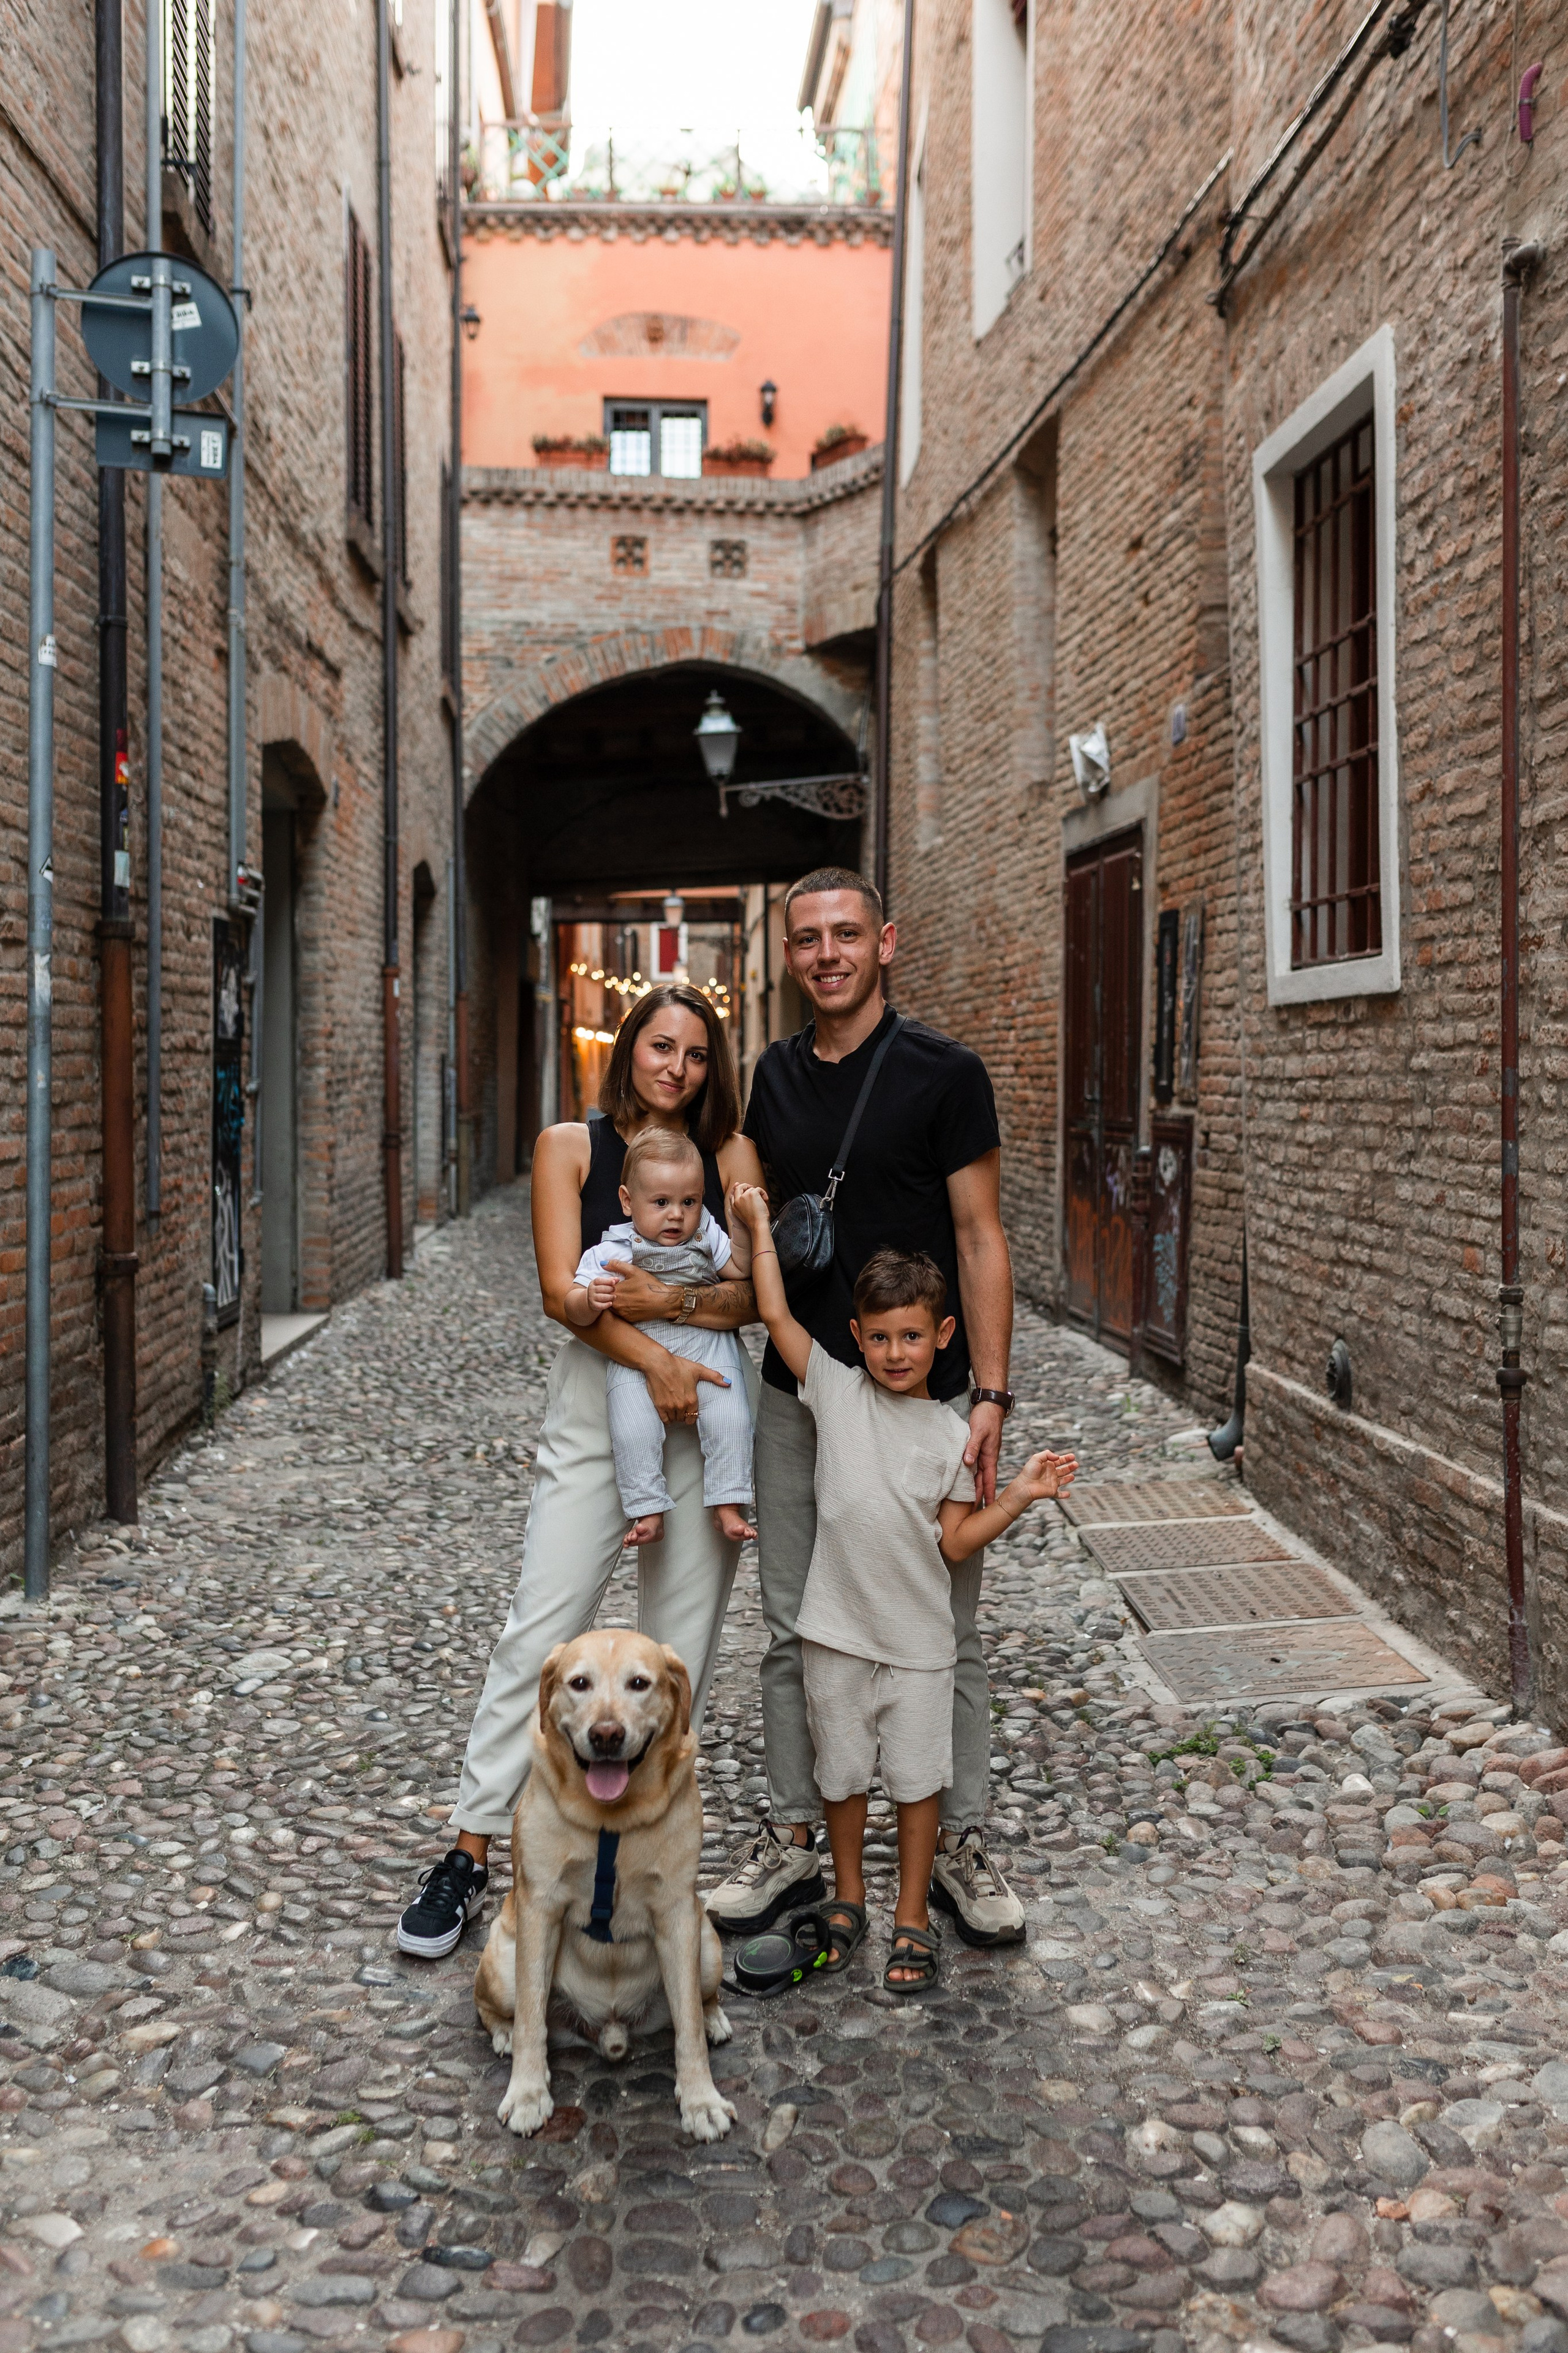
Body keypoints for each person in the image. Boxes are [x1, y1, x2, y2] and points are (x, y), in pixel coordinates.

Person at [398, 983, 764, 1960]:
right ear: (630, 1047)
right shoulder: (571, 1146)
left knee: (674, 1656)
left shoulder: (731, 1158)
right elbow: (566, 1296)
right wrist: (658, 1357)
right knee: (544, 1629)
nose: (676, 1067)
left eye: (694, 1052)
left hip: (712, 1414)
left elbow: (753, 1298)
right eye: (660, 1046)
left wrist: (664, 1311)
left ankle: (646, 1869)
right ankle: (471, 1850)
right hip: (600, 1407)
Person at [706, 866, 1028, 1947]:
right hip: (803, 1396)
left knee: (948, 1625)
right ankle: (799, 1833)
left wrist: (989, 1392)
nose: (829, 954)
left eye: (848, 934)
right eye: (809, 939)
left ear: (885, 941)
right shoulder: (775, 1075)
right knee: (796, 1624)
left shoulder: (947, 1075)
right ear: (788, 956)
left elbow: (981, 1237)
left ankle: (961, 1843)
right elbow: (746, 1171)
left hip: (927, 1402)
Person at [729, 1212, 1076, 1989]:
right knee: (842, 1775)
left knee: (919, 1782)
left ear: (943, 1334)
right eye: (880, 1337)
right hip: (835, 1634)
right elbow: (777, 1315)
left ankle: (911, 1913)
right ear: (857, 1335)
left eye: (911, 1337)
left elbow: (954, 1542)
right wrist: (757, 1225)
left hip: (920, 1643)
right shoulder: (832, 1388)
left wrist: (1020, 1492)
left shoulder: (952, 1436)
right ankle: (850, 1899)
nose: (894, 1353)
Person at [566, 1126, 756, 1549]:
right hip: (635, 1352)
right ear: (627, 1201)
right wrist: (589, 1299)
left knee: (731, 1419)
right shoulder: (609, 1250)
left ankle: (728, 1502)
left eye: (689, 1202)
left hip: (707, 1343)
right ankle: (647, 1507)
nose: (676, 1215)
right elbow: (570, 1306)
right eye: (662, 1202)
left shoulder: (707, 1234)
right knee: (632, 1429)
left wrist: (741, 1225)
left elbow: (741, 1272)